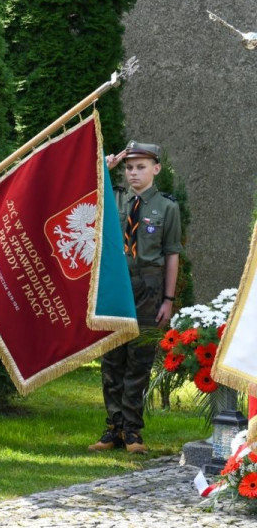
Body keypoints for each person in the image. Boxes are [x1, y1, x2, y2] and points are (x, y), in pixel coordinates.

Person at [93, 142, 182, 454]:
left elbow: (172, 255)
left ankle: (133, 431)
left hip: (149, 285)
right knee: (112, 357)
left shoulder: (167, 207)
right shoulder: (114, 197)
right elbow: (87, 189)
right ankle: (113, 428)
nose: (133, 173)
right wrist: (106, 166)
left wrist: (168, 299)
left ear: (156, 169)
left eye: (141, 166)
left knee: (139, 361)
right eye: (129, 167)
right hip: (116, 283)